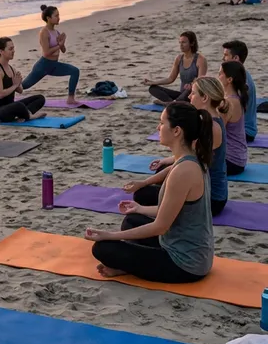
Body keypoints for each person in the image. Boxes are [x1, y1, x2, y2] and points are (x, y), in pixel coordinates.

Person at [85, 102, 214, 283]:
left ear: (177, 131)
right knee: (131, 221)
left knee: (102, 248)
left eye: (162, 123)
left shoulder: (183, 171)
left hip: (185, 264)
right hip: (188, 249)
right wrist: (139, 209)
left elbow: (160, 226)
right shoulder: (191, 159)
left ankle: (126, 267)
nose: (158, 127)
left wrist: (110, 235)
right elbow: (171, 212)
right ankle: (127, 266)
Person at [124, 77, 228, 215]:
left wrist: (144, 182)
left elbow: (186, 162)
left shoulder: (212, 128)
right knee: (161, 169)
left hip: (212, 199)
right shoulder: (211, 120)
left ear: (205, 98)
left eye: (193, 93)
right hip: (205, 189)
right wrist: (165, 160)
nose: (189, 96)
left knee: (142, 194)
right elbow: (189, 155)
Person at [20, 5, 80, 105]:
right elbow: (47, 52)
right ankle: (4, 92)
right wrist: (59, 45)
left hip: (54, 65)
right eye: (56, 16)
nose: (59, 18)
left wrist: (62, 43)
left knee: (75, 71)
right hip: (43, 65)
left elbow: (63, 50)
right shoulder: (44, 32)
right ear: (48, 18)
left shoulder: (56, 32)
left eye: (58, 15)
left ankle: (70, 98)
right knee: (23, 87)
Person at [0, 36, 46, 122]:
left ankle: (25, 114)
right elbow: (0, 94)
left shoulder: (11, 69)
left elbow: (20, 90)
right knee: (18, 105)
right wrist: (14, 85)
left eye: (13, 48)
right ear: (1, 51)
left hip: (10, 108)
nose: (13, 51)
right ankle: (28, 115)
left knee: (40, 98)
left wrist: (18, 83)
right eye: (10, 49)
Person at [144, 31, 208, 103]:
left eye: (184, 42)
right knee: (152, 89)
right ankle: (172, 103)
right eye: (180, 42)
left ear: (192, 43)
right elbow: (170, 79)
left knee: (189, 90)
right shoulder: (179, 58)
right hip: (181, 95)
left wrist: (192, 85)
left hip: (192, 95)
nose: (181, 45)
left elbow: (200, 82)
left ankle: (170, 103)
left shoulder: (200, 59)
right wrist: (153, 82)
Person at [222, 40, 258, 142]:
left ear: (236, 58)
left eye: (226, 55)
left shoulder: (241, 80)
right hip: (243, 130)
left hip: (244, 132)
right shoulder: (242, 75)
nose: (223, 58)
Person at [219, 61, 249, 175]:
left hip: (231, 161)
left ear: (229, 79)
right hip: (238, 158)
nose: (218, 76)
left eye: (220, 74)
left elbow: (216, 133)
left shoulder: (228, 103)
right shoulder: (236, 98)